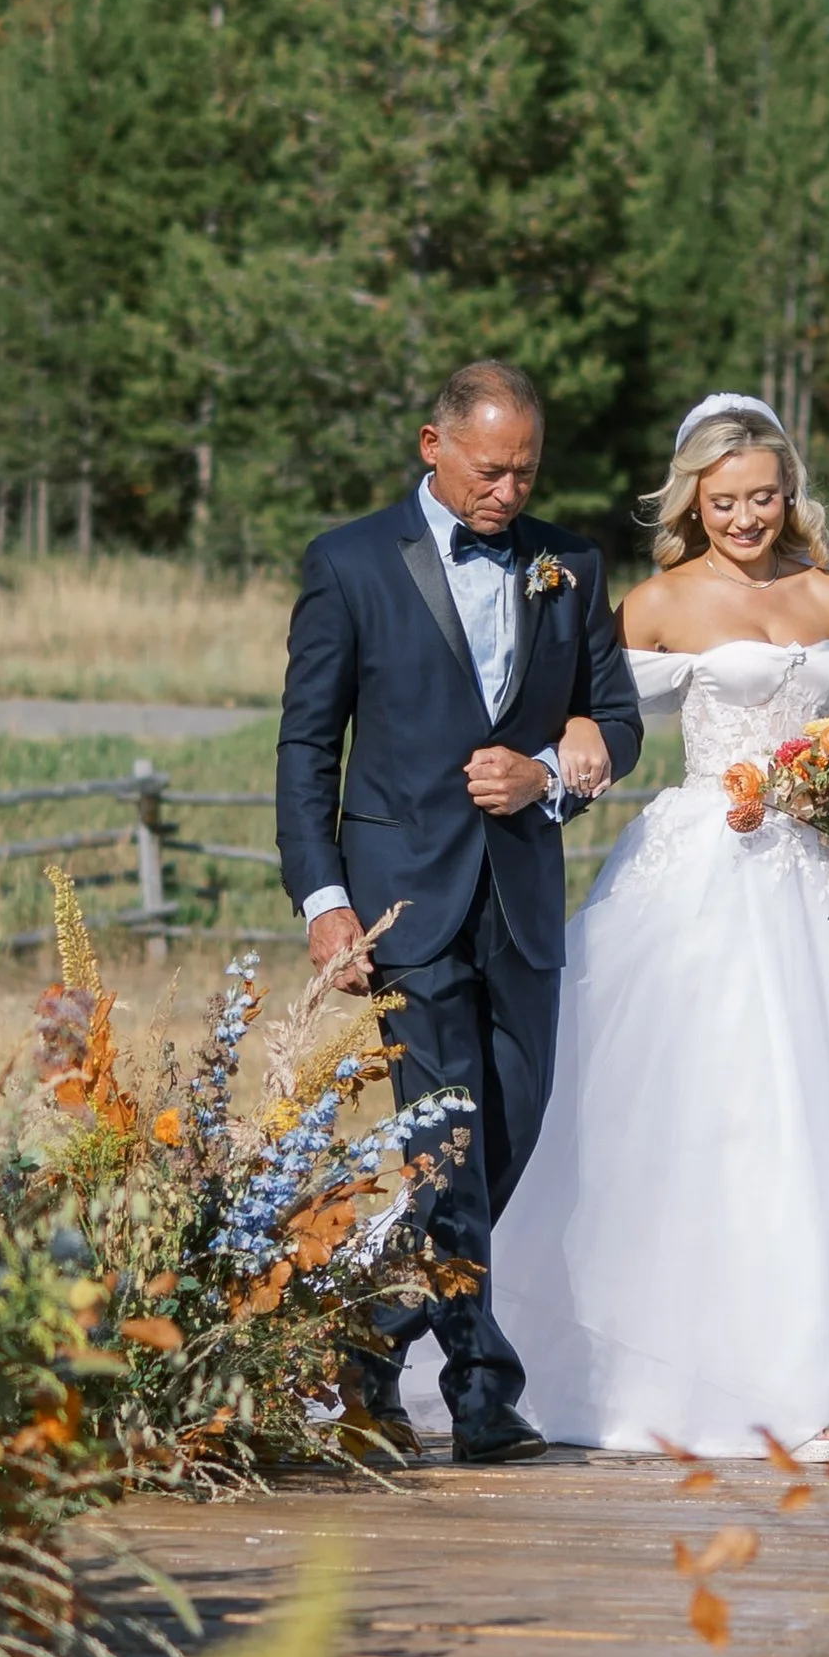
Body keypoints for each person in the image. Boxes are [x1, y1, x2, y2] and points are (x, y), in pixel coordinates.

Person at [488, 394, 829, 1456]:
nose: (745, 517)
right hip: (706, 870)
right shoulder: (657, 602)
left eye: (763, 497)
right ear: (694, 500)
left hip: (817, 880)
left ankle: (814, 1384)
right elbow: (594, 714)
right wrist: (568, 745)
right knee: (703, 1111)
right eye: (724, 501)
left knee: (818, 1120)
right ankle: (644, 1363)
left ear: (788, 494)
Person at [274, 360, 642, 1463]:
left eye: (527, 471)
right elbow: (305, 748)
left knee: (508, 1132)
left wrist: (551, 772)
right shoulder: (345, 564)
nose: (510, 492)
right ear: (433, 446)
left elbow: (614, 721)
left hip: (522, 902)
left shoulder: (569, 565)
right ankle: (484, 1392)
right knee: (447, 1139)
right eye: (492, 469)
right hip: (402, 904)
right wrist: (324, 903)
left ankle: (368, 1343)